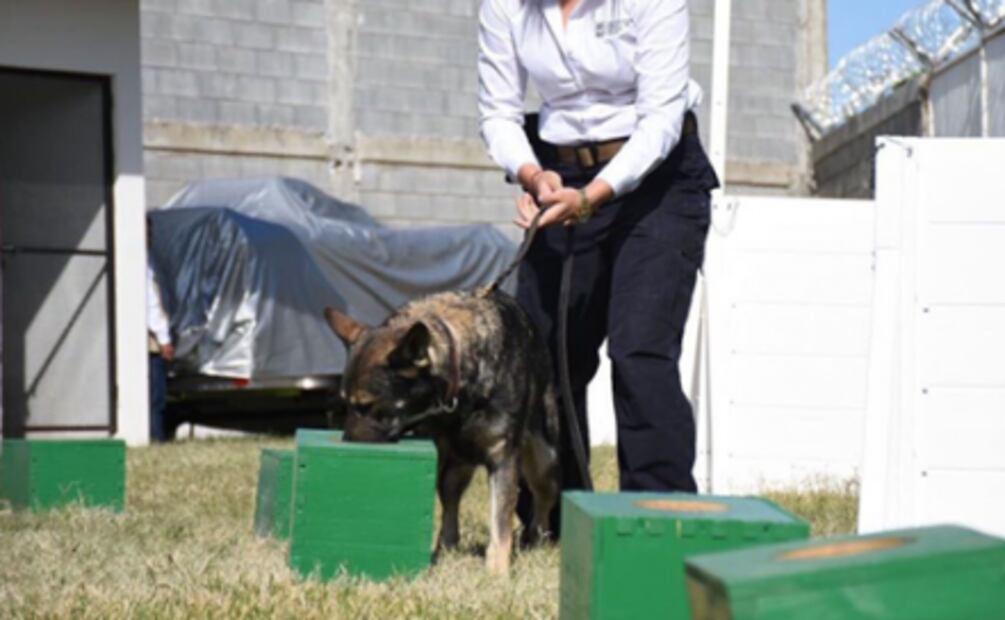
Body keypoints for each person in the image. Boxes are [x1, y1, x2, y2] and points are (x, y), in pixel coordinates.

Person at [477, 0, 720, 529]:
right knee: (545, 353)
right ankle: (553, 520)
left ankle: (659, 518)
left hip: (659, 178)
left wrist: (592, 197)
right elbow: (497, 113)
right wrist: (533, 176)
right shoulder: (505, 6)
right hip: (561, 173)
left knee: (640, 348)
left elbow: (660, 121)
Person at [147, 220, 175, 443]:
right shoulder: (143, 263)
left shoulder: (148, 259)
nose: (149, 238)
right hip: (150, 338)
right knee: (155, 393)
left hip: (149, 334)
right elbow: (151, 303)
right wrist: (164, 338)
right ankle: (156, 436)